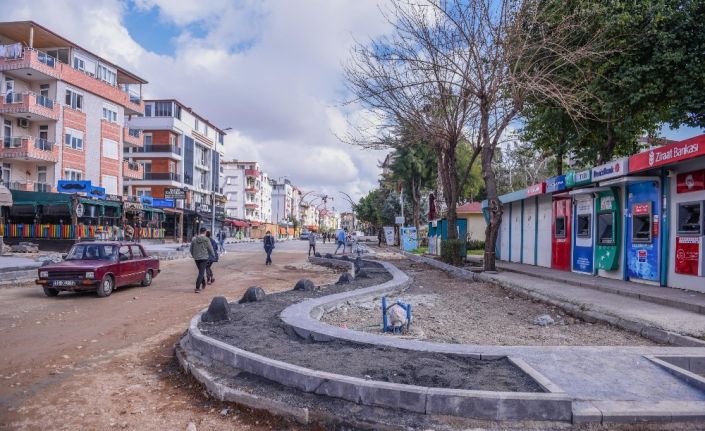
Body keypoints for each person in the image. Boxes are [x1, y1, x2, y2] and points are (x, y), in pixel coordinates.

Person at [190, 227, 214, 293]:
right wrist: (213, 255)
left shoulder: (194, 239)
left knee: (201, 271)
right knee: (201, 272)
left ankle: (203, 283)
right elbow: (210, 248)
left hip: (196, 258)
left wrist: (193, 255)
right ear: (205, 232)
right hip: (204, 258)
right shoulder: (206, 239)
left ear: (199, 231)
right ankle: (197, 288)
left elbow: (191, 249)